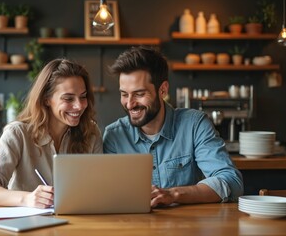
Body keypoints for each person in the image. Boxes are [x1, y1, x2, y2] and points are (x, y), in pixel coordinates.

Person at [103, 46, 243, 207]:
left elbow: (232, 181)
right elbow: (107, 194)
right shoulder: (113, 136)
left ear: (162, 90)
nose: (129, 104)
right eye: (124, 94)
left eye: (139, 94)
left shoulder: (194, 124)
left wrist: (174, 194)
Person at [0, 59, 103, 208]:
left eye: (83, 97)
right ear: (46, 100)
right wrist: (27, 199)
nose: (79, 105)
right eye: (68, 98)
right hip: (25, 226)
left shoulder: (91, 132)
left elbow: (101, 187)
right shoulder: (18, 133)